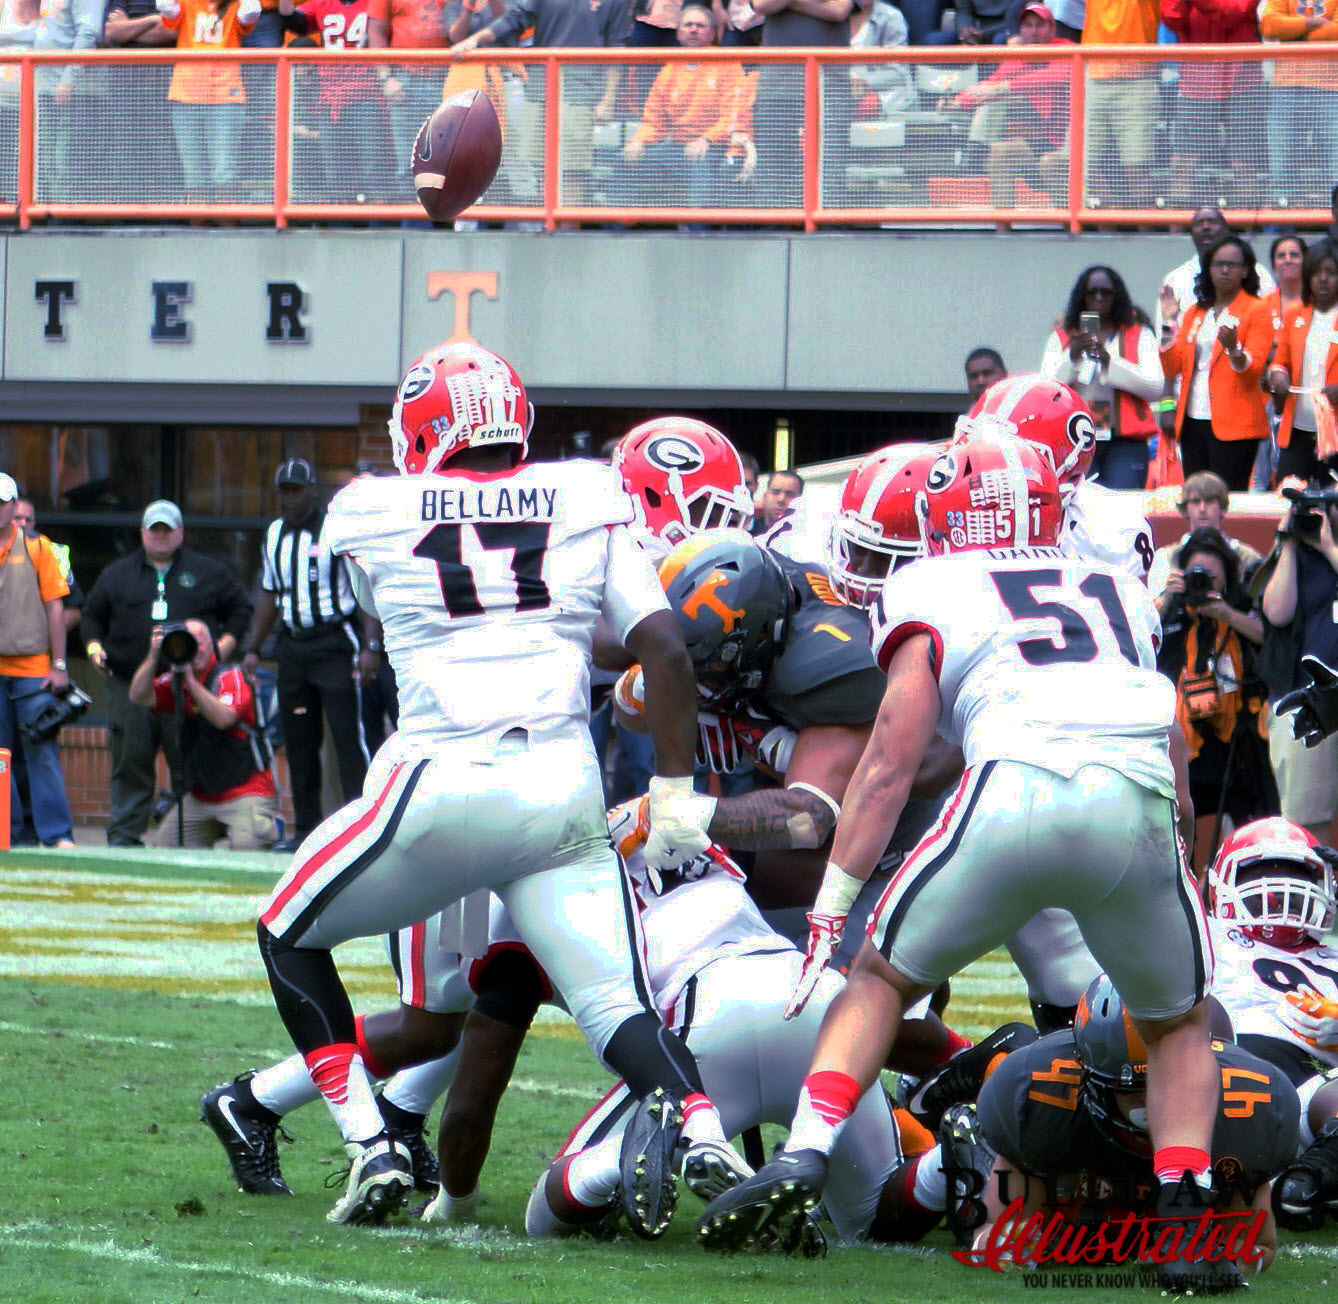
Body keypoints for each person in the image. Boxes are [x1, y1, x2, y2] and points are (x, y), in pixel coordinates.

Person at [698, 436, 1243, 1294]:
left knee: (876, 978)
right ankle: (1186, 1210)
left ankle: (804, 1154)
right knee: (1177, 1021)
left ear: (949, 518)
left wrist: (834, 906)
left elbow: (888, 760)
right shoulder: (1121, 585)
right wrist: (1181, 844)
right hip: (1134, 798)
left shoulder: (933, 582)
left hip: (1014, 794)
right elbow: (1171, 733)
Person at [253, 341, 733, 1231]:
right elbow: (665, 651)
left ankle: (369, 1144)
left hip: (441, 777)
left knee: (286, 929)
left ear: (423, 429)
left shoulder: (371, 508)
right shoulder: (588, 494)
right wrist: (674, 794)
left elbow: (407, 586)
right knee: (613, 1004)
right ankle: (702, 1125)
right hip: (562, 785)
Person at [970, 975, 1297, 1278]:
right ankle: (956, 1151)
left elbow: (1257, 1247)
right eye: (1133, 1088)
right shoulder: (1041, 1094)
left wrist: (1225, 1255)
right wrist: (1018, 1240)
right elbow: (998, 1237)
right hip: (1076, 1198)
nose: (1153, 1102)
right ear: (1089, 1074)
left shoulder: (1251, 1106)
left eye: (1171, 1084)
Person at [82, 500, 253, 848]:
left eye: (167, 529)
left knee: (186, 758)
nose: (160, 535)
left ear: (181, 533)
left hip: (186, 688)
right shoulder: (117, 574)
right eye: (153, 529)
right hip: (131, 685)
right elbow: (90, 617)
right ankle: (124, 836)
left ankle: (185, 834)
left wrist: (218, 650)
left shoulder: (208, 571)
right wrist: (94, 650)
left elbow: (240, 609)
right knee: (130, 759)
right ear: (142, 532)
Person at [1204, 818, 1338, 1231]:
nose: (1281, 885)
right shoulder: (1206, 934)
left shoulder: (1332, 958)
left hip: (1316, 1093)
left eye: (1296, 872)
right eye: (1262, 872)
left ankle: (1304, 1182)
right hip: (1229, 1076)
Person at [241, 458, 376, 850]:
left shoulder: (335, 530)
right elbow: (269, 591)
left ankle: (361, 831)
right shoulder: (274, 534)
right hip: (293, 648)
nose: (290, 498)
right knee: (299, 742)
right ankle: (305, 832)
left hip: (334, 643)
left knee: (348, 738)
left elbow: (365, 585)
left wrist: (371, 646)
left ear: (313, 490)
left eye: (297, 489)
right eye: (284, 490)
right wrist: (253, 647)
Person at [1154, 527, 1274, 871]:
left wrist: (1227, 615)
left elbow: (1269, 638)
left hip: (1238, 741)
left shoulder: (1239, 608)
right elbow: (1139, 645)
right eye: (1196, 577)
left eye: (1210, 577)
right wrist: (1166, 599)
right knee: (1177, 820)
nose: (1202, 585)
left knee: (1246, 819)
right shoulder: (1171, 613)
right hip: (1183, 743)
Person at [449, 0, 630, 209]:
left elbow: (617, 48)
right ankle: (545, 233)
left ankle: (567, 234)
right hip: (541, 89)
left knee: (572, 170)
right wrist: (475, 40)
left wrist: (608, 99)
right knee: (538, 167)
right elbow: (514, 18)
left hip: (582, 92)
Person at [128, 618, 280, 849]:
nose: (196, 649)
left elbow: (224, 718)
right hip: (201, 797)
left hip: (246, 792)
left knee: (248, 845)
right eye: (188, 643)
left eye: (200, 643)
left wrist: (191, 681)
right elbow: (138, 696)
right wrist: (153, 656)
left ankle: (267, 824)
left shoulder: (231, 677)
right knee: (167, 847)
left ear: (211, 645)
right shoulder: (176, 682)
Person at [1159, 233, 1273, 490]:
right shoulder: (1196, 312)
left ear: (1245, 270)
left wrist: (1234, 349)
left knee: (1228, 497)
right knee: (1196, 494)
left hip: (1236, 424)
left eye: (1232, 265)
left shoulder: (1257, 309)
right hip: (1192, 419)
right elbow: (1173, 367)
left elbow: (1252, 372)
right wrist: (1169, 323)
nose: (1224, 270)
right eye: (1217, 264)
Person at [0, 471, 76, 850]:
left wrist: (58, 665)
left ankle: (57, 833)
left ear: (14, 507)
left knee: (41, 749)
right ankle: (5, 833)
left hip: (32, 667)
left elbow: (55, 606)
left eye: (3, 504)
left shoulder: (39, 548)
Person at [1260, 475, 1338, 841]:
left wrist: (1329, 549)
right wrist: (1288, 543)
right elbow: (1277, 612)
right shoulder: (1295, 556)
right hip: (1308, 703)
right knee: (1308, 825)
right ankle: (1320, 899)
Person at [1040, 264, 1163, 488]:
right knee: (1082, 509)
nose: (1098, 297)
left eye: (1106, 292)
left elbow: (1156, 387)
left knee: (1121, 508)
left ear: (1117, 296)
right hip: (1074, 442)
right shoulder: (1062, 337)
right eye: (1092, 292)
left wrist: (1110, 362)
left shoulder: (1140, 334)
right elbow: (1044, 390)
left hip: (1125, 443)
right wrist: (1073, 357)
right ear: (1082, 296)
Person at [612, 5, 741, 209]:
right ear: (678, 33)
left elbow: (733, 116)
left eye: (700, 25)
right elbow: (654, 121)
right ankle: (621, 228)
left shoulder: (727, 64)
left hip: (715, 148)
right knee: (624, 160)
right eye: (687, 25)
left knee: (699, 161)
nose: (693, 30)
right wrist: (638, 141)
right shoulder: (669, 69)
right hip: (677, 148)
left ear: (712, 33)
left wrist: (706, 140)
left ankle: (697, 231)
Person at [947, 2, 1072, 208]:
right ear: (1020, 30)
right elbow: (993, 82)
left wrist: (1006, 87)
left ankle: (1070, 230)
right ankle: (1002, 227)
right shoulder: (1020, 57)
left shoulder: (1066, 49)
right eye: (1027, 26)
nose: (1033, 33)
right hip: (1046, 140)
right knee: (1001, 151)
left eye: (1039, 26)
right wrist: (958, 101)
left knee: (1050, 164)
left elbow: (1054, 77)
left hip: (1071, 143)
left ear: (1052, 29)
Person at [748, 0, 866, 208]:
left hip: (829, 79)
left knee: (830, 165)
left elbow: (839, 9)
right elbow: (761, 4)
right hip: (777, 80)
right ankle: (773, 228)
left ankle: (827, 225)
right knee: (772, 164)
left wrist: (787, 3)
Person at [155, 0, 265, 206]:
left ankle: (227, 233)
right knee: (194, 174)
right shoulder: (187, 3)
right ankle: (197, 233)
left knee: (225, 172)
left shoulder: (237, 6)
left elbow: (252, 12)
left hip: (226, 94)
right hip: (186, 93)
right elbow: (165, 6)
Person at [1159, 0, 1263, 211]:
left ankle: (1249, 226)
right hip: (1197, 80)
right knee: (1183, 158)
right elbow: (1172, 19)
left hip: (1242, 80)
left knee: (1244, 159)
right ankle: (1175, 228)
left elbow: (1235, 13)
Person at [1267, 240, 1338, 486]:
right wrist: (1278, 375)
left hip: (1335, 435)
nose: (1323, 279)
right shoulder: (1295, 313)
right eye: (1316, 272)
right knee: (1288, 501)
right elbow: (1280, 362)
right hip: (1296, 432)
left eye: (1331, 272)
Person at [1259, 0, 1338, 211]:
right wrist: (1316, 23)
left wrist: (1296, 31)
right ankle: (1281, 232)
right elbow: (1271, 26)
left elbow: (1335, 32)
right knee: (1282, 168)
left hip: (1332, 89)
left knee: (1335, 169)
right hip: (1285, 87)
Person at [1079, 0, 1159, 208]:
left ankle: (1146, 233)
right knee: (1086, 170)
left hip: (1137, 78)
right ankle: (1108, 231)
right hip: (1094, 75)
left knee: (1136, 169)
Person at [368, 0, 449, 203]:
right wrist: (386, 77)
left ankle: (449, 228)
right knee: (408, 162)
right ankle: (414, 228)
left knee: (450, 161)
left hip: (448, 80)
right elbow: (375, 32)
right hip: (406, 81)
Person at [103, 0, 183, 204]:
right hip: (125, 82)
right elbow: (112, 31)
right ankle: (127, 209)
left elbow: (175, 32)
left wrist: (130, 27)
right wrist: (154, 19)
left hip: (166, 82)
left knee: (166, 147)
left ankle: (168, 209)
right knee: (125, 147)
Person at [1146, 470, 1262, 596]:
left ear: (1222, 508)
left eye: (1209, 501)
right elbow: (1153, 610)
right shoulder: (1165, 557)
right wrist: (1168, 595)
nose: (1202, 509)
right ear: (1185, 509)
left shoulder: (1248, 557)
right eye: (1195, 502)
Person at [752, 469, 803, 533]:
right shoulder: (746, 533)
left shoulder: (805, 536)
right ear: (765, 497)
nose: (781, 499)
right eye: (775, 492)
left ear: (800, 501)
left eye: (790, 495)